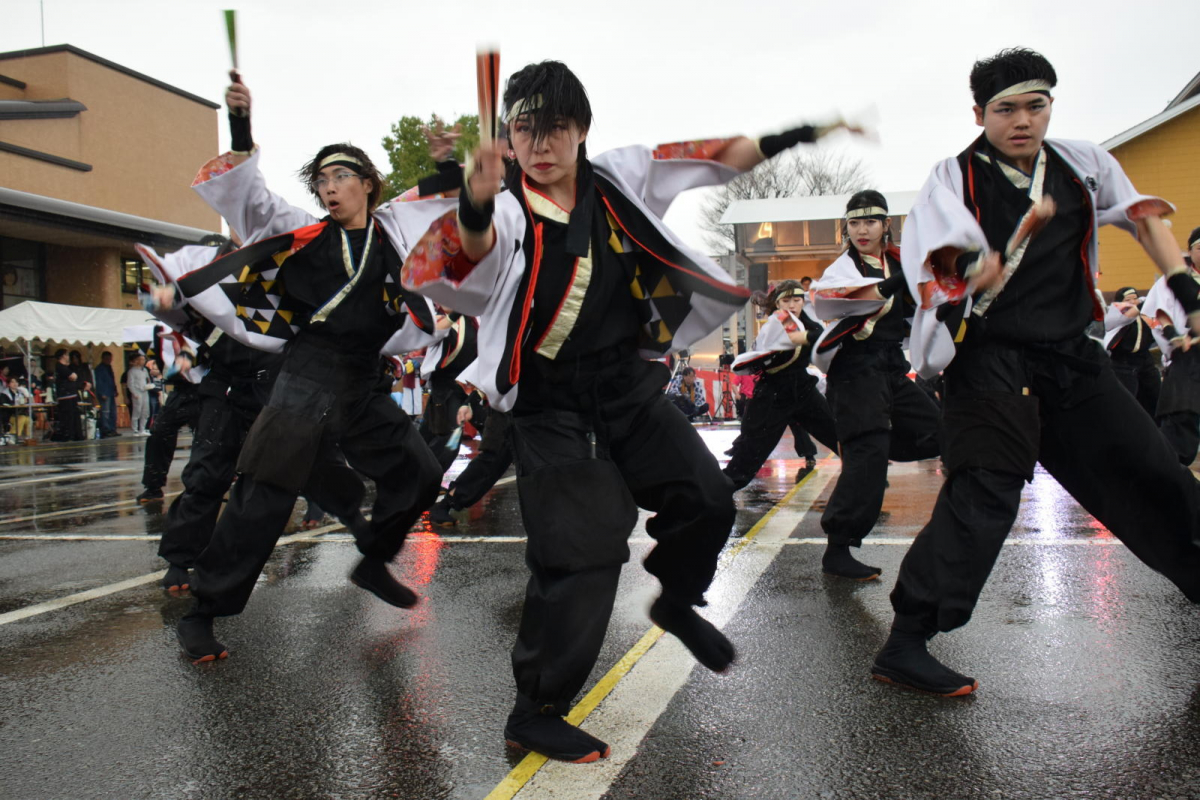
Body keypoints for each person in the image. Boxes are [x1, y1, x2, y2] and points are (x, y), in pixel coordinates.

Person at [402, 59, 861, 763]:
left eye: (556, 126)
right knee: (579, 556)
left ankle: (676, 599)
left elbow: (713, 160)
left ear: (582, 129)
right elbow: (463, 256)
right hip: (551, 406)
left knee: (707, 501)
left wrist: (804, 132)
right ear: (508, 139)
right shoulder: (499, 203)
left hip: (629, 388)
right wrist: (470, 197)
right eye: (524, 129)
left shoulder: (620, 173)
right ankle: (536, 710)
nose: (541, 143)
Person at [875, 47, 1200, 697]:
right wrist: (973, 270)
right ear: (979, 113)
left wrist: (1188, 292)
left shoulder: (1083, 163)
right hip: (988, 359)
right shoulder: (955, 179)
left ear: (1050, 104)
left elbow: (1145, 219)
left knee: (1150, 468)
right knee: (985, 493)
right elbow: (931, 263)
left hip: (1072, 356)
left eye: (1035, 104)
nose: (1022, 120)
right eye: (1005, 109)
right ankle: (905, 642)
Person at [169, 71, 447, 662]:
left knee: (420, 472)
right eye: (321, 179)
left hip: (362, 381)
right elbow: (249, 194)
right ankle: (203, 611)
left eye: (340, 176)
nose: (329, 188)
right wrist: (241, 124)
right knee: (262, 498)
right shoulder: (302, 233)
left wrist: (452, 163)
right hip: (306, 375)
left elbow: (449, 207)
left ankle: (373, 563)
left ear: (369, 185)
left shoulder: (394, 232)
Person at [809, 191, 941, 580]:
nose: (861, 230)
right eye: (854, 223)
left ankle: (884, 447)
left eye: (870, 222)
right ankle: (838, 550)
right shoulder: (841, 270)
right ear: (845, 228)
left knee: (938, 431)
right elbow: (844, 300)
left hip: (891, 369)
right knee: (866, 458)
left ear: (887, 225)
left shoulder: (898, 260)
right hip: (854, 371)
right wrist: (903, 279)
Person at [724, 280, 838, 489]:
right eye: (786, 300)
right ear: (777, 304)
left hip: (802, 388)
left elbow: (818, 342)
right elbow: (800, 336)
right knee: (753, 449)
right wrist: (836, 333)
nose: (792, 305)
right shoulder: (780, 319)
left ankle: (864, 470)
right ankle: (721, 490)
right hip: (774, 392)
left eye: (797, 300)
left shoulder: (807, 320)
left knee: (835, 432)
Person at [1142, 227, 1200, 465]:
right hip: (1186, 359)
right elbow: (1158, 314)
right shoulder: (1175, 279)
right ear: (1190, 251)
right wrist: (1173, 334)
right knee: (1180, 435)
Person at [137, 338, 203, 503]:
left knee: (206, 439)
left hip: (205, 389)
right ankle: (153, 487)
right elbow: (159, 359)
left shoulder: (203, 326)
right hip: (181, 391)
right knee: (159, 433)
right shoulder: (160, 332)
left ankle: (204, 483)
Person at [419, 310, 477, 473]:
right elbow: (432, 334)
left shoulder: (474, 320)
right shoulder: (438, 318)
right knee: (447, 436)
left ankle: (418, 473)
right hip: (445, 387)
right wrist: (453, 315)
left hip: (470, 386)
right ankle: (426, 477)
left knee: (433, 433)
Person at [1103, 286, 1162, 418]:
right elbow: (1132, 311)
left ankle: (1156, 429)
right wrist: (1145, 302)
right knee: (1128, 401)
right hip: (1124, 363)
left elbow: (1149, 301)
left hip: (1145, 359)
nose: (1132, 301)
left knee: (1155, 396)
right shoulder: (1116, 314)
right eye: (1128, 299)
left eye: (1135, 298)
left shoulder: (1144, 314)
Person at [50, 349, 84, 441]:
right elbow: (73, 376)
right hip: (66, 396)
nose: (68, 357)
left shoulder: (65, 367)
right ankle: (69, 435)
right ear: (63, 356)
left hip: (71, 395)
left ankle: (76, 434)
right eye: (67, 355)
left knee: (74, 416)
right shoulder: (60, 367)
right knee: (69, 417)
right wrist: (74, 376)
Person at [93, 351, 119, 437]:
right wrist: (102, 393)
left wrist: (115, 389)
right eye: (108, 359)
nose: (109, 360)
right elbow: (99, 382)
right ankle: (106, 429)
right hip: (105, 393)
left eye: (110, 359)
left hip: (111, 392)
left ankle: (112, 429)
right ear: (103, 358)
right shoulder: (99, 369)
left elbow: (112, 379)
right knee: (105, 412)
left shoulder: (109, 367)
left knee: (113, 412)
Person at [127, 354, 150, 435]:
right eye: (141, 359)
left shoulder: (145, 370)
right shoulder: (132, 371)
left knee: (145, 411)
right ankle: (135, 429)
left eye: (144, 360)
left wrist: (149, 385)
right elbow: (130, 384)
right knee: (137, 411)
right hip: (137, 392)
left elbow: (148, 380)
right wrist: (134, 393)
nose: (143, 361)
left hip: (145, 391)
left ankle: (142, 429)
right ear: (137, 360)